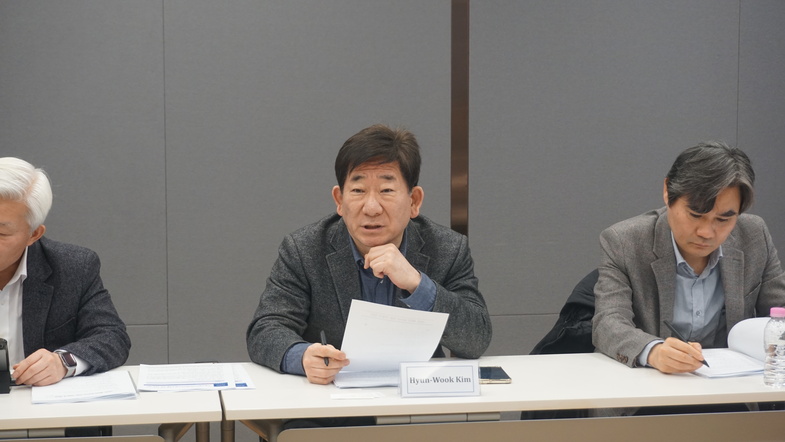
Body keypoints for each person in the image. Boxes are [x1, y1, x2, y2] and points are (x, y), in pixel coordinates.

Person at [247, 124, 492, 385]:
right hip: (331, 399)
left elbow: (476, 339)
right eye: (358, 191)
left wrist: (417, 284)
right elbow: (265, 329)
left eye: (386, 191)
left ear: (414, 201)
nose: (371, 208)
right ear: (339, 200)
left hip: (418, 396)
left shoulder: (447, 248)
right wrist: (302, 357)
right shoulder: (304, 249)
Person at [593, 142, 785, 375]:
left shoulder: (753, 235)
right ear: (667, 192)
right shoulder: (625, 241)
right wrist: (654, 351)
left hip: (733, 386)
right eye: (695, 215)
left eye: (723, 220)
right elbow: (608, 322)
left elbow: (780, 310)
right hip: (650, 385)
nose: (706, 232)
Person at [0, 157, 130, 386]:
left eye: (1, 234)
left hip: (36, 403)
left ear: (33, 234)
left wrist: (62, 362)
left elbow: (111, 337)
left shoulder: (73, 267)